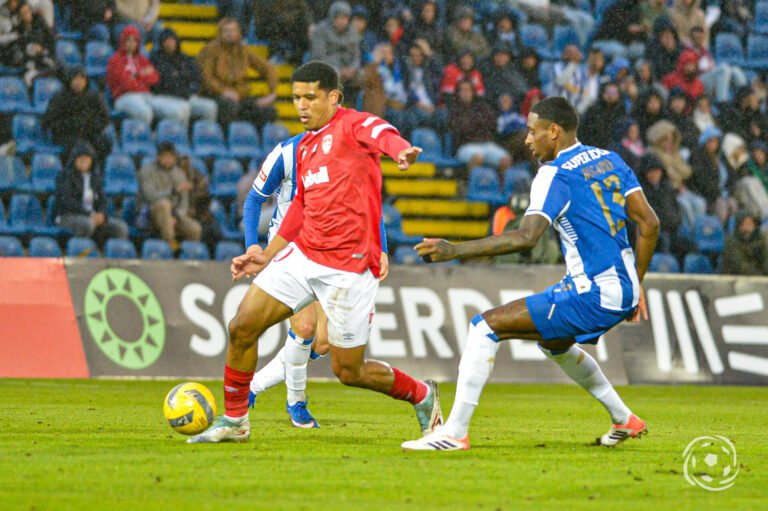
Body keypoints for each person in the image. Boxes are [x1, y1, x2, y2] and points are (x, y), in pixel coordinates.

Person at [186, 61, 441, 444]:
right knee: (242, 326)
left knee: (349, 371)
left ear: (333, 97)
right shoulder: (303, 147)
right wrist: (267, 253)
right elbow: (300, 208)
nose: (301, 106)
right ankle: (236, 420)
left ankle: (422, 395)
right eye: (296, 98)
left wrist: (401, 150)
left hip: (349, 268)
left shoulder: (354, 125)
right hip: (304, 255)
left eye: (310, 97)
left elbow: (383, 133)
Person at [401, 96, 659, 451]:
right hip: (621, 286)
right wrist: (636, 283)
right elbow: (650, 223)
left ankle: (454, 433)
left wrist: (454, 250)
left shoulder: (554, 174)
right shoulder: (609, 159)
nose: (527, 139)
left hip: (595, 291)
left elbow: (526, 237)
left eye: (532, 131)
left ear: (553, 132)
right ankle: (624, 419)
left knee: (484, 327)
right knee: (555, 344)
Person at [244, 132, 391, 427]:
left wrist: (382, 248)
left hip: (328, 251)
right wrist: (252, 245)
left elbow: (369, 202)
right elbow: (254, 199)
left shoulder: (349, 153)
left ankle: (254, 385)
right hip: (288, 249)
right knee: (305, 327)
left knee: (323, 342)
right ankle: (296, 403)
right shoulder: (286, 153)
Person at [198, 17, 278, 129]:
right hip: (216, 96)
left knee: (268, 111)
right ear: (220, 33)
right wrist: (223, 91)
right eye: (226, 31)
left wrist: (272, 91)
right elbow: (206, 77)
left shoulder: (244, 50)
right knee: (229, 106)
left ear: (238, 33)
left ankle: (255, 138)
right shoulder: (210, 50)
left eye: (233, 31)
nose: (230, 34)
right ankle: (226, 136)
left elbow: (267, 68)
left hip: (241, 96)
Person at [106, 25, 189, 126]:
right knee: (145, 113)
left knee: (176, 112)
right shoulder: (115, 60)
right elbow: (126, 84)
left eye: (135, 40)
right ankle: (146, 135)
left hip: (146, 95)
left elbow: (155, 78)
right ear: (123, 40)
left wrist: (136, 75)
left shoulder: (142, 59)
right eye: (128, 40)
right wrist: (143, 75)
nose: (131, 43)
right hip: (124, 97)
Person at [53, 141, 129, 245]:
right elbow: (67, 201)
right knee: (87, 224)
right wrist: (89, 215)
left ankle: (112, 253)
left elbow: (103, 200)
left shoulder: (95, 178)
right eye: (81, 158)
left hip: (92, 217)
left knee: (120, 227)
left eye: (87, 158)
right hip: (68, 216)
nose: (84, 161)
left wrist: (101, 214)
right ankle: (82, 250)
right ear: (74, 159)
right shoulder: (65, 176)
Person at [138, 142, 202, 250]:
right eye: (165, 156)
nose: (168, 160)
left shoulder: (179, 174)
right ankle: (172, 246)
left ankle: (188, 254)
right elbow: (150, 196)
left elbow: (184, 202)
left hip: (174, 214)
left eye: (170, 157)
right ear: (158, 157)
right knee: (164, 204)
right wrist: (173, 191)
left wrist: (176, 217)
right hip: (149, 212)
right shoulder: (147, 171)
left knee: (195, 228)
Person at [42, 67, 112, 165]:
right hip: (67, 134)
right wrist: (70, 124)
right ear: (70, 80)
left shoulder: (94, 97)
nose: (78, 82)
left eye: (81, 78)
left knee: (104, 143)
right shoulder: (59, 98)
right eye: (75, 78)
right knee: (80, 146)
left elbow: (104, 118)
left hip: (89, 132)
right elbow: (48, 121)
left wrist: (91, 126)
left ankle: (98, 169)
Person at [150, 28, 218, 124]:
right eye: (166, 41)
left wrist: (184, 81)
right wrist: (183, 76)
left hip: (186, 95)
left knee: (210, 107)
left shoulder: (185, 58)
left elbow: (196, 77)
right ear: (161, 43)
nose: (170, 43)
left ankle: (205, 132)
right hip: (166, 97)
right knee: (182, 109)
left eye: (172, 40)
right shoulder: (155, 59)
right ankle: (181, 133)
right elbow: (164, 81)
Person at [309, 1, 361, 104]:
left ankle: (363, 108)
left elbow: (356, 56)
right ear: (332, 18)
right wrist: (338, 70)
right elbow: (318, 56)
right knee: (334, 76)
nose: (341, 21)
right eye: (338, 18)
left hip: (348, 68)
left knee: (368, 77)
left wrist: (352, 68)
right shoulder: (321, 30)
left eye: (344, 18)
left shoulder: (352, 32)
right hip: (326, 68)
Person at [722, 211, 768, 275]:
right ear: (739, 225)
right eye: (745, 223)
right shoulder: (731, 241)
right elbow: (739, 264)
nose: (748, 226)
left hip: (761, 276)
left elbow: (765, 260)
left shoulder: (761, 240)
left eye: (751, 223)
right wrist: (759, 276)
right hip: (736, 276)